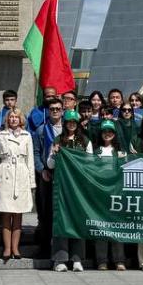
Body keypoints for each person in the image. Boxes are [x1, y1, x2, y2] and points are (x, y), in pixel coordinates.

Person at [0, 108, 33, 262]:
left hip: (21, 174)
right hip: (5, 174)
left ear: (21, 119)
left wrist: (31, 182)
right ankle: (7, 248)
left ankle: (16, 247)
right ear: (7, 119)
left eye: (16, 117)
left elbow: (30, 160)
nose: (14, 119)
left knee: (18, 214)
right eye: (11, 117)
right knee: (6, 213)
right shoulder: (1, 135)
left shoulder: (26, 135)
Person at [47, 111, 88, 272]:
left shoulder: (85, 141)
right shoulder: (58, 140)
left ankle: (77, 259)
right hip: (62, 186)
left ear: (78, 124)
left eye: (74, 122)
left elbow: (91, 163)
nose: (71, 124)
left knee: (78, 221)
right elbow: (50, 164)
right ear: (65, 123)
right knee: (61, 221)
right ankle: (60, 259)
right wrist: (54, 153)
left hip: (79, 187)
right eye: (69, 122)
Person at [91, 120, 129, 271]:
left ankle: (119, 260)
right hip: (99, 194)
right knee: (101, 227)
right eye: (105, 131)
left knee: (116, 227)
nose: (107, 134)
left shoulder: (120, 152)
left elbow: (124, 173)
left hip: (116, 194)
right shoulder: (96, 152)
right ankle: (102, 260)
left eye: (110, 131)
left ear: (114, 134)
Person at [33, 97, 62, 259]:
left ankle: (61, 248)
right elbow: (36, 153)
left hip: (66, 176)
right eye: (52, 109)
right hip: (46, 175)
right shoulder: (41, 130)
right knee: (46, 212)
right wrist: (41, 170)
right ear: (48, 111)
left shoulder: (69, 128)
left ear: (62, 111)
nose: (55, 111)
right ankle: (44, 248)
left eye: (58, 109)